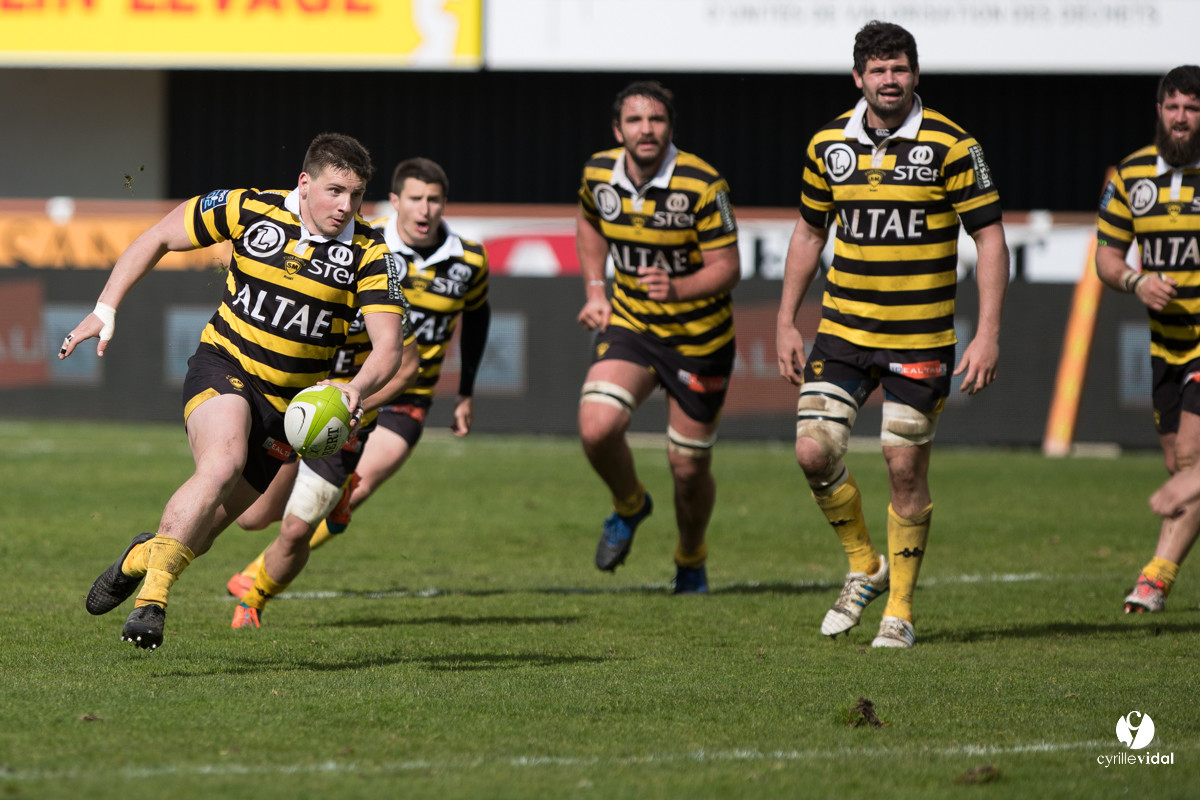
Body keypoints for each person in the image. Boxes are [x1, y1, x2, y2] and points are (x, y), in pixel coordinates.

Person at [65, 132, 411, 650]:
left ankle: (139, 557)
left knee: (206, 533)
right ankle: (150, 604)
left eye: (357, 195)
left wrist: (353, 391)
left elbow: (390, 348)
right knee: (220, 465)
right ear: (304, 182)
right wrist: (105, 309)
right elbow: (157, 236)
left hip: (285, 413)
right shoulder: (248, 209)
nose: (346, 206)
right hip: (224, 366)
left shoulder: (371, 252)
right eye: (335, 191)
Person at [775, 21, 1010, 648]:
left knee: (903, 467)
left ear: (914, 73)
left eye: (899, 68)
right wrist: (784, 319)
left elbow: (989, 238)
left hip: (920, 336)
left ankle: (899, 609)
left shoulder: (954, 146)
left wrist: (987, 333)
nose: (889, 79)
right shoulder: (829, 144)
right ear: (858, 77)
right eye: (877, 70)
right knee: (812, 452)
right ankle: (863, 564)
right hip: (842, 331)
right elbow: (807, 233)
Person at [224, 157, 491, 606]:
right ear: (395, 201)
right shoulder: (365, 245)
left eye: (434, 200)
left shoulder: (468, 261)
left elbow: (476, 320)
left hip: (407, 391)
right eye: (416, 199)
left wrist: (465, 391)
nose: (425, 209)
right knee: (252, 516)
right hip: (332, 387)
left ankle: (257, 586)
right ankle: (328, 495)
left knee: (330, 500)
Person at [575, 80, 740, 594]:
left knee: (687, 469)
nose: (646, 130)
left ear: (670, 127)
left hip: (700, 340)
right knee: (597, 427)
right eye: (635, 121)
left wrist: (678, 287)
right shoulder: (598, 172)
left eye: (657, 121)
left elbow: (729, 267)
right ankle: (630, 504)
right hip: (632, 324)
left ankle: (691, 557)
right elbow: (589, 223)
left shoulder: (703, 182)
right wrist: (596, 290)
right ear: (617, 129)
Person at [225, 311, 419, 628]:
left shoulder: (380, 294)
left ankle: (254, 601)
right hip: (289, 414)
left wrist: (348, 410)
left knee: (297, 530)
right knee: (251, 518)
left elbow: (408, 367)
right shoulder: (303, 283)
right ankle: (338, 494)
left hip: (344, 428)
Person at [1095, 65, 1200, 614]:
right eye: (1173, 107)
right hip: (1166, 344)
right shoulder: (1132, 176)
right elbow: (1107, 259)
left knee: (1192, 457)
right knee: (1180, 469)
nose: (1181, 118)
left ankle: (1155, 578)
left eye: (1192, 108)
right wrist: (1138, 280)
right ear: (1159, 111)